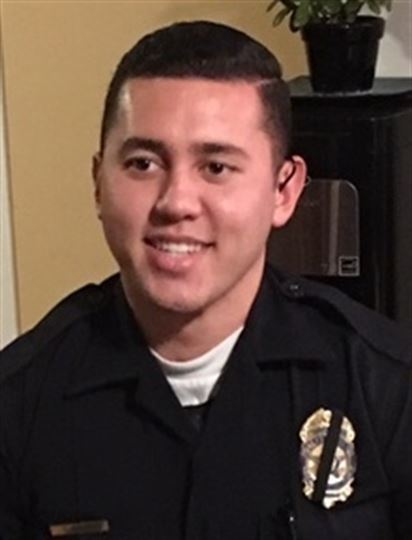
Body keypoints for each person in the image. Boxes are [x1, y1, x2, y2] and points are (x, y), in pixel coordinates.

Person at [0, 20, 411, 540]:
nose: (176, 202)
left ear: (284, 191)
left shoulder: (385, 386)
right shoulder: (19, 404)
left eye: (216, 167)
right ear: (98, 183)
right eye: (143, 163)